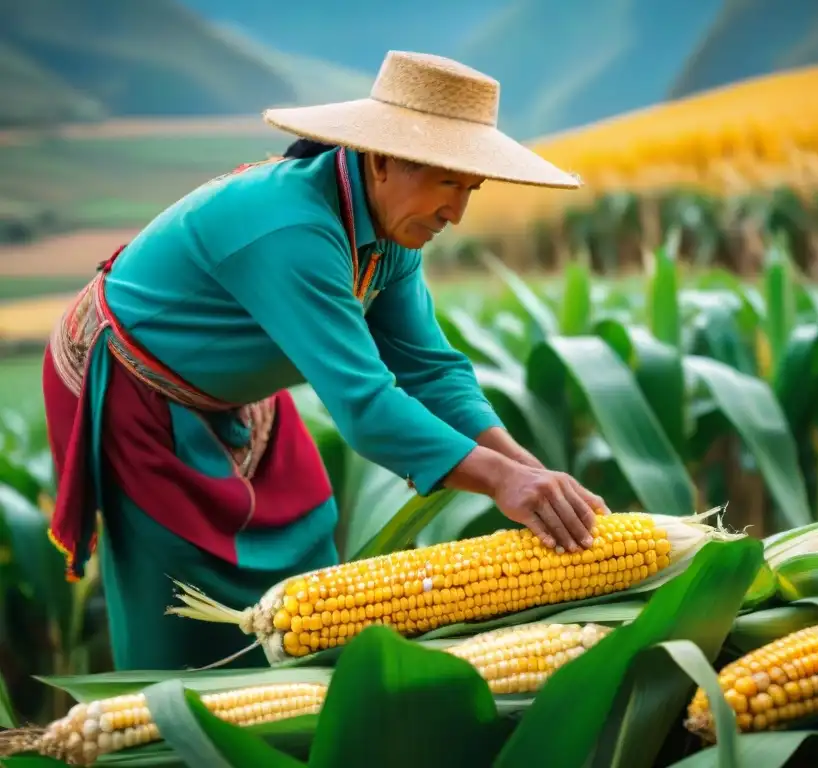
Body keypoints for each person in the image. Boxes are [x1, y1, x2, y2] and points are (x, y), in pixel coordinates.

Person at [41, 51, 606, 672]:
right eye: (448, 182)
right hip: (135, 383)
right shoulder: (293, 230)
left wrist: (533, 472)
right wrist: (501, 481)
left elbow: (431, 370)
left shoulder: (391, 231)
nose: (457, 212)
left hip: (239, 391)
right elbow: (365, 405)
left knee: (307, 530)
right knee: (177, 595)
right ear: (383, 159)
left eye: (471, 188)